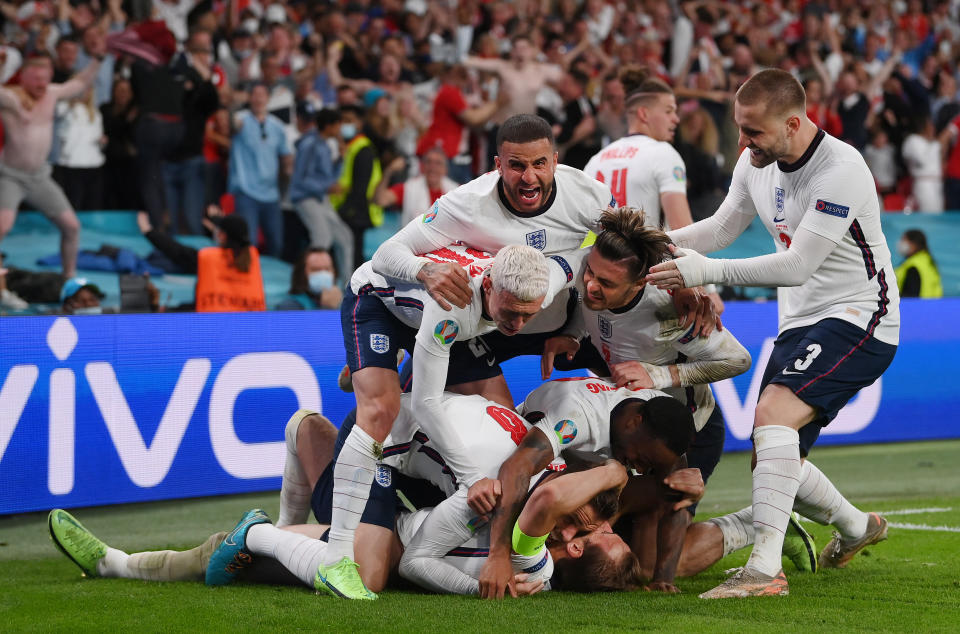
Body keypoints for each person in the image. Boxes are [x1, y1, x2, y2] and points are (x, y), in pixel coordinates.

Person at [646, 69, 900, 598]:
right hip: (800, 321)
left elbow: (798, 265)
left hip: (861, 314)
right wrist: (655, 243)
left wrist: (705, 271)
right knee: (775, 459)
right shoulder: (756, 159)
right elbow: (721, 228)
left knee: (773, 417)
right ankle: (858, 527)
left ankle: (764, 573)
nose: (743, 142)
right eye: (740, 130)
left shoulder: (842, 169)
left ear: (793, 122)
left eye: (754, 132)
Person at [316, 244, 562, 599]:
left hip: (435, 322)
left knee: (497, 404)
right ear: (490, 286)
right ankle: (336, 556)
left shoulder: (544, 281)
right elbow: (426, 403)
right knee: (380, 411)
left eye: (528, 316)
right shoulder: (454, 309)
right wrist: (472, 479)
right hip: (379, 302)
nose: (518, 325)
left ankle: (394, 361)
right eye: (511, 312)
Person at [477, 382, 697, 598]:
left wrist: (664, 579)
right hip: (523, 462)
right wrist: (499, 554)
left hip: (577, 483)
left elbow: (676, 496)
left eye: (649, 466)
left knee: (673, 489)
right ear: (634, 423)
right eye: (642, 458)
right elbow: (518, 467)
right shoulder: (577, 417)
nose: (639, 469)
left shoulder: (665, 421)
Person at [0, 45, 106, 279]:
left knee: (72, 227)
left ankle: (70, 278)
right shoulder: (11, 97)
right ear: (24, 77)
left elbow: (79, 84)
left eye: (45, 79)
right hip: (11, 176)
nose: (41, 84)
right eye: (36, 79)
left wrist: (97, 59)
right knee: (3, 227)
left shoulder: (50, 93)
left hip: (39, 177)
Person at [583, 66, 690, 231]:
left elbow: (585, 229)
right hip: (649, 255)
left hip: (603, 254)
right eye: (669, 111)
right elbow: (684, 230)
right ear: (644, 114)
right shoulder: (663, 153)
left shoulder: (596, 160)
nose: (676, 119)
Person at [137, 211, 265, 312]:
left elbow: (175, 250)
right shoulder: (252, 257)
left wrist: (148, 231)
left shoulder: (209, 258)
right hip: (251, 329)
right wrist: (216, 220)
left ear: (222, 235)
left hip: (214, 328)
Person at [228, 82, 293, 257]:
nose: (258, 99)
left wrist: (289, 173)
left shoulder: (278, 126)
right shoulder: (241, 119)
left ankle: (270, 280)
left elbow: (285, 156)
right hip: (246, 191)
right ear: (250, 98)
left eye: (262, 95)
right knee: (249, 243)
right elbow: (231, 124)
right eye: (254, 95)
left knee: (277, 243)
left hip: (271, 194)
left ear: (268, 99)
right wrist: (233, 103)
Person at [289, 106, 354, 280]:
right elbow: (301, 179)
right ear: (329, 126)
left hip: (320, 198)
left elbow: (329, 177)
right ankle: (306, 281)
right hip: (305, 197)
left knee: (344, 237)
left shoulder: (325, 145)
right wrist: (326, 187)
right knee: (322, 239)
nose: (340, 130)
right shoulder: (309, 145)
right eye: (338, 125)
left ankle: (349, 286)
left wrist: (340, 158)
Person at [328, 104, 382, 269]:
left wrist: (342, 212)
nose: (345, 124)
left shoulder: (363, 149)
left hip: (356, 213)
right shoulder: (348, 147)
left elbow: (360, 188)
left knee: (352, 260)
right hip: (347, 210)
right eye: (342, 120)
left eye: (349, 120)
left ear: (359, 123)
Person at [374, 148, 459, 226]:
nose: (433, 167)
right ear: (422, 166)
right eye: (429, 162)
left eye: (438, 163)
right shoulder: (409, 188)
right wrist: (389, 171)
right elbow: (380, 200)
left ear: (445, 169)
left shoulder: (456, 191)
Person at [277, 247, 343, 310]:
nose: (323, 274)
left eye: (327, 269)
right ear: (301, 274)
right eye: (316, 270)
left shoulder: (344, 303)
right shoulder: (289, 306)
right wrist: (328, 309)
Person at [895, 229, 942, 298]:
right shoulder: (928, 261)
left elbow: (911, 295)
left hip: (915, 307)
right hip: (932, 306)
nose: (900, 243)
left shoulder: (913, 266)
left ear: (914, 244)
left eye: (903, 240)